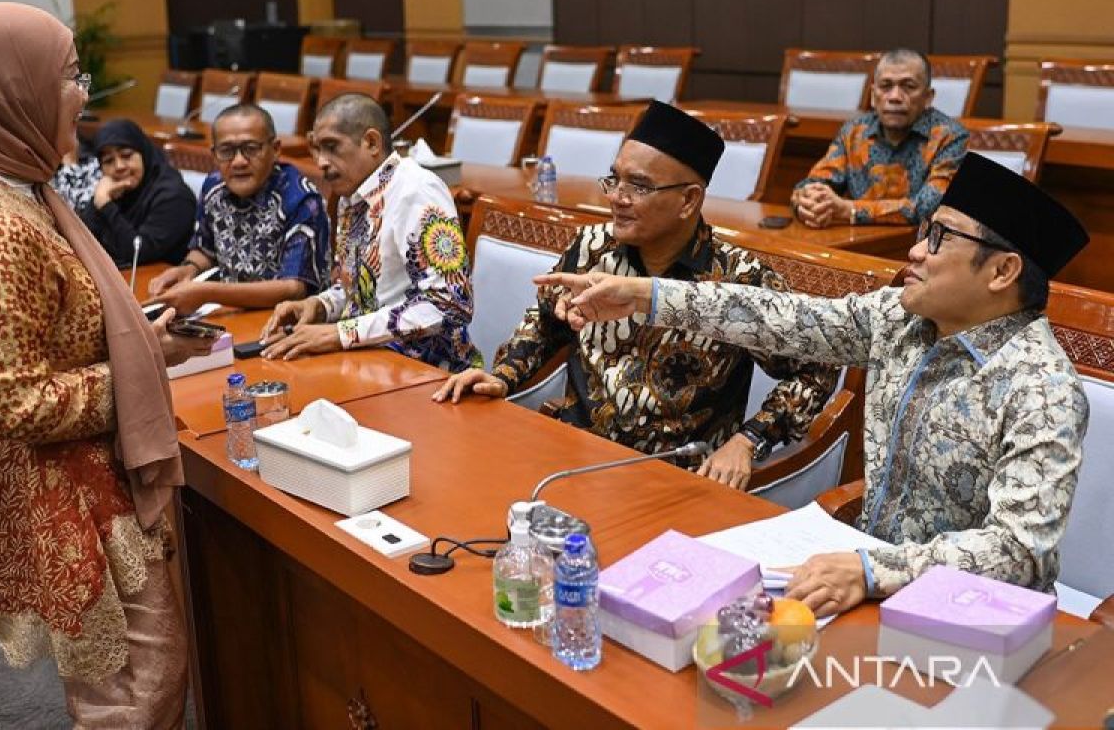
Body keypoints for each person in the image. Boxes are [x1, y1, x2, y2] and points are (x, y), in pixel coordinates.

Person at [540, 152, 1090, 617]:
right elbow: (780, 317)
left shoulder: (1040, 388)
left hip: (971, 616)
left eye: (940, 237)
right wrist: (646, 296)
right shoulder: (899, 319)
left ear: (1002, 272)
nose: (916, 251)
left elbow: (1019, 551)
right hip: (861, 582)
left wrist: (876, 570)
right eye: (924, 231)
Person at [0, 3, 215, 728]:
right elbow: (16, 404)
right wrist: (145, 369)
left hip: (74, 482)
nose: (82, 92)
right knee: (136, 688)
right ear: (7, 93)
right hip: (67, 494)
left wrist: (129, 339)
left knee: (132, 677)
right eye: (69, 75)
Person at [433, 101, 838, 486]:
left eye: (639, 186)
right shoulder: (592, 248)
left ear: (688, 200)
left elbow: (818, 365)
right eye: (615, 179)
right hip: (572, 458)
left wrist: (749, 441)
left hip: (677, 480)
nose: (616, 198)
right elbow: (544, 322)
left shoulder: (738, 278)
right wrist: (501, 377)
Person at [259, 93, 478, 372]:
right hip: (367, 360)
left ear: (371, 143)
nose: (321, 162)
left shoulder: (417, 191)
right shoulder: (353, 196)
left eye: (331, 147)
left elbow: (450, 304)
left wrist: (341, 333)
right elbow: (362, 291)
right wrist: (321, 305)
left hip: (430, 371)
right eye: (317, 149)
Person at [147, 103, 330, 313]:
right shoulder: (214, 186)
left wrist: (206, 292)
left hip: (287, 320)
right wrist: (188, 269)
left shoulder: (301, 200)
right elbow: (205, 250)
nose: (239, 161)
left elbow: (294, 288)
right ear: (214, 155)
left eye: (251, 149)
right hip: (229, 311)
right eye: (226, 151)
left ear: (276, 150)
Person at [791, 48, 968, 228]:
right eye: (885, 86)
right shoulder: (854, 131)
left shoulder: (950, 137)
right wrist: (807, 201)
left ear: (928, 97)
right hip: (857, 242)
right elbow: (815, 181)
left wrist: (849, 210)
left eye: (909, 87)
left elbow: (927, 207)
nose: (895, 97)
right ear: (874, 96)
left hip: (919, 248)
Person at [79, 118, 196, 266]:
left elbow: (138, 253)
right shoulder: (115, 190)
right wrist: (97, 202)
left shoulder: (175, 197)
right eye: (109, 161)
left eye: (127, 155)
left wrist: (105, 205)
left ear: (143, 153)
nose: (119, 166)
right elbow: (80, 240)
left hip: (157, 280)